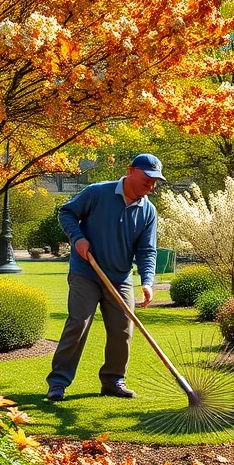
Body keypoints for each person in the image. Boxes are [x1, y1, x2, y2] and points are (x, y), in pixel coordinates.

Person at [45, 154, 163, 403]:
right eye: (147, 179)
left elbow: (147, 250)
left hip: (120, 278)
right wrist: (78, 238)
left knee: (123, 330)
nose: (150, 186)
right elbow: (66, 213)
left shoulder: (148, 210)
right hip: (86, 271)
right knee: (79, 323)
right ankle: (58, 382)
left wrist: (147, 281)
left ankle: (113, 380)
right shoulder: (97, 192)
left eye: (154, 182)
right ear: (130, 171)